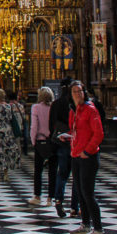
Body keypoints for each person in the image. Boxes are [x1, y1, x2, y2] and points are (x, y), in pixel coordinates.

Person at [64, 80, 105, 234]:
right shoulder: (74, 111)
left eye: (80, 91)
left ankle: (99, 229)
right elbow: (75, 131)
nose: (77, 94)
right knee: (80, 192)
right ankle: (85, 224)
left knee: (88, 193)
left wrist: (87, 151)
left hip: (88, 156)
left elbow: (98, 133)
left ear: (84, 92)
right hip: (76, 155)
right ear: (70, 94)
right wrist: (68, 138)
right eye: (74, 91)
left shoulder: (90, 109)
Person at [49, 77, 77, 219]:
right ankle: (74, 207)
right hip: (76, 142)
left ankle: (59, 200)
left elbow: (51, 124)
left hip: (62, 142)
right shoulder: (76, 104)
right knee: (77, 176)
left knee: (62, 174)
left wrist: (54, 139)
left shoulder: (56, 103)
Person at [29, 86, 57, 206]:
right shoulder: (54, 108)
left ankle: (37, 196)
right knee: (53, 171)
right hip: (53, 141)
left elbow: (34, 126)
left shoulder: (36, 107)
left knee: (38, 171)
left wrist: (33, 140)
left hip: (40, 141)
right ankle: (51, 198)